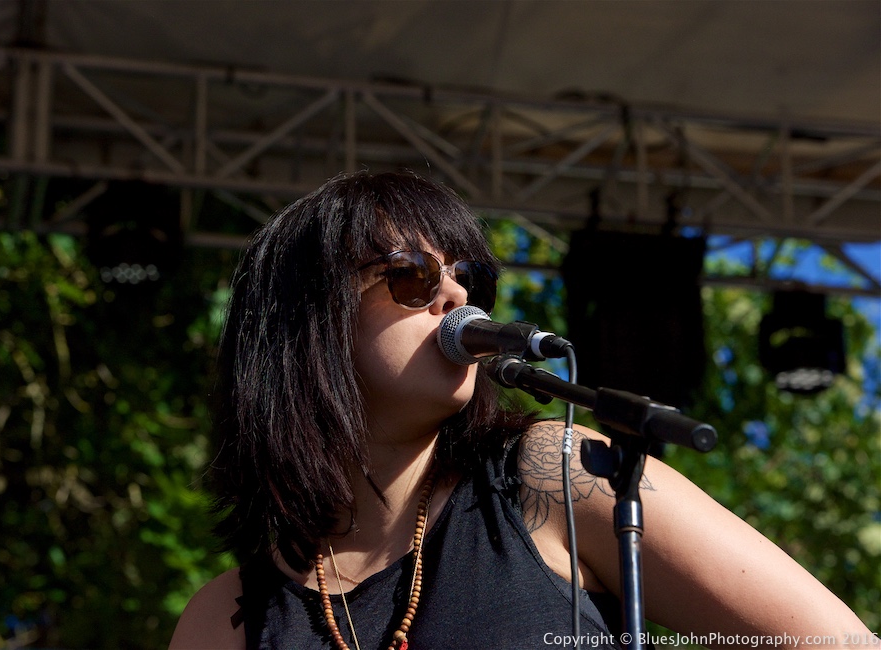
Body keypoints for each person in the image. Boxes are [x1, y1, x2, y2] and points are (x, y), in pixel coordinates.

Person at [169, 170, 870, 649]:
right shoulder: (224, 619)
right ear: (305, 321)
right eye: (411, 274)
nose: (455, 297)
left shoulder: (554, 471)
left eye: (469, 277)